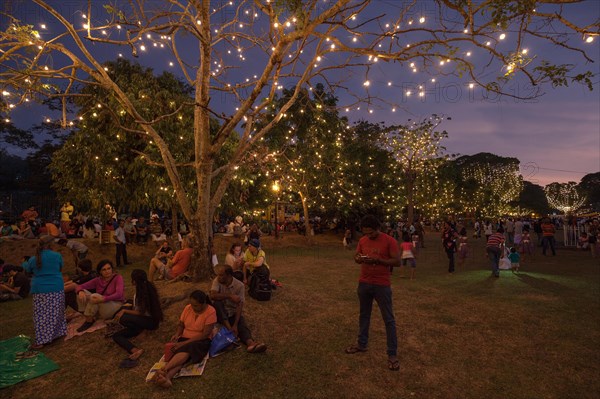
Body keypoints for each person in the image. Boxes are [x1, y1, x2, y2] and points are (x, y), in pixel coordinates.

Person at [345, 215, 400, 372]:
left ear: (378, 228)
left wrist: (378, 260)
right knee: (364, 315)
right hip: (364, 282)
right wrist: (358, 258)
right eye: (366, 233)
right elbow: (357, 255)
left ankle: (392, 354)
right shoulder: (363, 240)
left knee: (388, 319)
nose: (368, 236)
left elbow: (397, 261)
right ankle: (362, 344)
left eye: (371, 233)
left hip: (381, 284)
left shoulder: (389, 240)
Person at [153, 290, 216, 389]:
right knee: (183, 358)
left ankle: (165, 369)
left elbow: (205, 334)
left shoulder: (211, 311)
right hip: (185, 339)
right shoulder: (188, 308)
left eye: (195, 305)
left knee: (187, 348)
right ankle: (168, 378)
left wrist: (183, 343)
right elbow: (181, 324)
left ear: (203, 303)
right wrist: (177, 334)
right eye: (191, 304)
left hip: (201, 341)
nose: (192, 307)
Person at [209, 264, 267, 353]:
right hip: (219, 313)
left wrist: (235, 324)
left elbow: (239, 306)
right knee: (217, 304)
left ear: (228, 275)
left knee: (241, 323)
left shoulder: (239, 286)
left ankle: (251, 343)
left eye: (221, 275)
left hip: (231, 313)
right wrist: (229, 296)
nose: (218, 277)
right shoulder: (217, 281)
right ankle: (230, 329)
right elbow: (213, 296)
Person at [23, 236, 67, 349]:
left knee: (41, 315)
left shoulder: (33, 259)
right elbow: (59, 269)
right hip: (56, 286)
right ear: (51, 244)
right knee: (57, 312)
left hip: (40, 289)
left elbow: (27, 270)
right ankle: (57, 333)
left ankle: (42, 339)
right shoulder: (57, 256)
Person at [112, 269, 163, 367]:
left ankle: (141, 329)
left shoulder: (143, 293)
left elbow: (140, 312)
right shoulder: (146, 287)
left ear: (134, 281)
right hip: (146, 322)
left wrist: (124, 311)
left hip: (150, 322)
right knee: (116, 336)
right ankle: (135, 350)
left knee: (123, 318)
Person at [75, 260, 125, 332]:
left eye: (109, 268)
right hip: (102, 306)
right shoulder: (97, 280)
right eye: (104, 269)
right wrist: (80, 291)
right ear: (100, 272)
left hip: (115, 306)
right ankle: (87, 316)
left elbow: (119, 294)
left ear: (112, 269)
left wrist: (103, 299)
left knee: (94, 296)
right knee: (82, 292)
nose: (107, 271)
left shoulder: (118, 278)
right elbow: (78, 286)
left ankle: (89, 321)